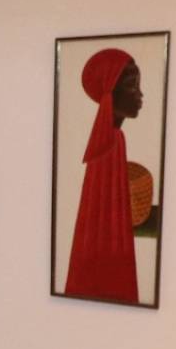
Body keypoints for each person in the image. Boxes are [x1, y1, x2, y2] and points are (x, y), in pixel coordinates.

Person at [64, 48, 143, 302]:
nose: (140, 95)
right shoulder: (109, 142)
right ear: (111, 91)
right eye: (132, 86)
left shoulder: (114, 138)